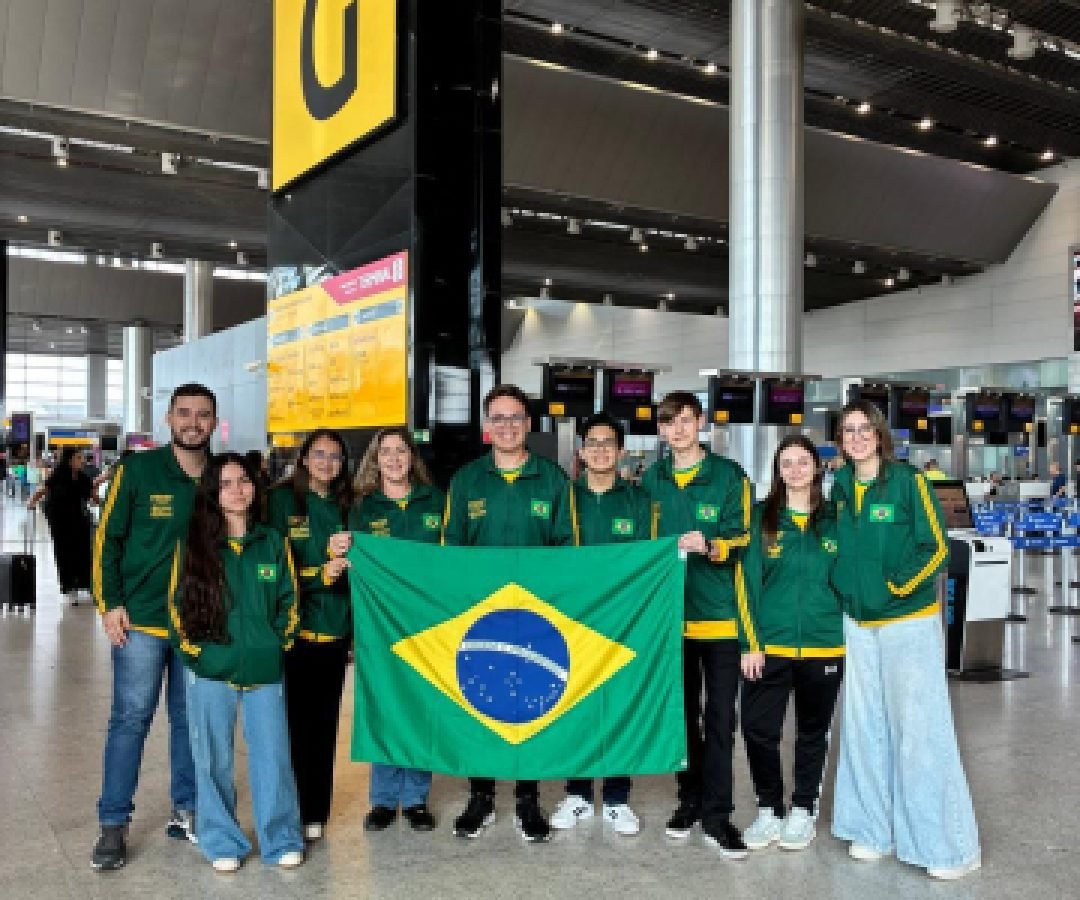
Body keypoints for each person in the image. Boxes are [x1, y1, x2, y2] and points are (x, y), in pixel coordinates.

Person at [829, 399, 980, 880]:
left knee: (919, 732)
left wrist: (895, 585)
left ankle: (948, 847)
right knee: (863, 730)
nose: (856, 438)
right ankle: (873, 829)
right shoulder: (840, 485)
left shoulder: (910, 483)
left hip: (905, 622)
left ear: (878, 435)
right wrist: (843, 588)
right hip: (857, 623)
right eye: (847, 431)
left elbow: (936, 546)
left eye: (863, 430)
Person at [91, 383, 217, 871]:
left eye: (203, 415)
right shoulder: (138, 470)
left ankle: (186, 811)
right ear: (168, 419)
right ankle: (113, 824)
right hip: (140, 622)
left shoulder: (222, 479)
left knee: (190, 723)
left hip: (198, 625)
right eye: (184, 413)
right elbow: (108, 539)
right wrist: (109, 604)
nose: (193, 422)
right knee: (131, 719)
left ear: (213, 422)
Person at [443, 384, 574, 843]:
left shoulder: (553, 479)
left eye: (515, 417)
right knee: (482, 703)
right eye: (497, 418)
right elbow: (450, 553)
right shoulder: (466, 481)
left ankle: (527, 799)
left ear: (529, 424)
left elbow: (567, 550)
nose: (507, 426)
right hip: (482, 619)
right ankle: (480, 797)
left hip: (535, 620)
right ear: (486, 427)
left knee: (529, 704)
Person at [168, 453, 304, 872]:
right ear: (212, 492)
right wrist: (201, 655)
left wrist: (274, 645)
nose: (237, 489)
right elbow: (176, 608)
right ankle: (222, 840)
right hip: (210, 669)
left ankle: (280, 840)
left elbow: (290, 601)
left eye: (243, 481)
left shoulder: (272, 541)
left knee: (273, 757)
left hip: (264, 669)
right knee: (212, 759)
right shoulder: (191, 546)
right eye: (225, 483)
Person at [640, 391, 751, 858]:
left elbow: (745, 535)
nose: (679, 429)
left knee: (721, 721)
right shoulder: (651, 480)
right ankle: (688, 801)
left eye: (686, 420)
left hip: (721, 622)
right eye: (670, 422)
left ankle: (718, 813)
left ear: (700, 423)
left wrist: (711, 545)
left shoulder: (728, 477)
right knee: (682, 719)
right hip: (672, 623)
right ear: (662, 429)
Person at [328, 427, 445, 832]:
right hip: (379, 625)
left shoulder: (437, 502)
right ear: (374, 461)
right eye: (386, 452)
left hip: (427, 624)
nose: (394, 459)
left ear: (412, 457)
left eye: (401, 451)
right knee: (383, 704)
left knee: (420, 706)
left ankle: (415, 798)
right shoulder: (362, 508)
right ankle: (382, 798)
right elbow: (350, 561)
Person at [737, 436, 844, 853]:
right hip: (771, 646)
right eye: (787, 463)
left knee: (812, 733)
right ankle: (769, 807)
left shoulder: (836, 519)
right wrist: (750, 642)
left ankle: (803, 808)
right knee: (759, 730)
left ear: (817, 468)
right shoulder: (762, 518)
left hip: (825, 645)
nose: (796, 470)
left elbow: (850, 577)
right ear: (778, 471)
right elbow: (745, 585)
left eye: (803, 462)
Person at [549, 412, 651, 836]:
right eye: (593, 443)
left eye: (609, 443)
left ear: (621, 452)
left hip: (623, 625)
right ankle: (576, 793)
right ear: (581, 451)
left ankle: (616, 797)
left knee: (618, 707)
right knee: (576, 707)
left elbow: (650, 561)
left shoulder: (638, 501)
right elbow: (550, 556)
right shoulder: (564, 498)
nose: (600, 450)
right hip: (573, 623)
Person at [265, 429, 353, 842]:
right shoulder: (280, 502)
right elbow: (272, 571)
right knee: (289, 728)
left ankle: (315, 809)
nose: (326, 463)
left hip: (334, 633)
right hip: (293, 634)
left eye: (335, 457)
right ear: (303, 458)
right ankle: (287, 809)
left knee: (324, 726)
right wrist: (320, 573)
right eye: (319, 454)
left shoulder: (347, 504)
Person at [28, 446, 95, 604]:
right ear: (70, 460)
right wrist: (31, 503)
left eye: (82, 457)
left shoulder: (84, 477)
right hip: (60, 521)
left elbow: (92, 495)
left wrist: (105, 504)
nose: (82, 461)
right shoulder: (57, 475)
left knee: (83, 551)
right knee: (64, 552)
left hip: (79, 519)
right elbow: (42, 490)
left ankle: (85, 584)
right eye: (79, 458)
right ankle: (69, 586)